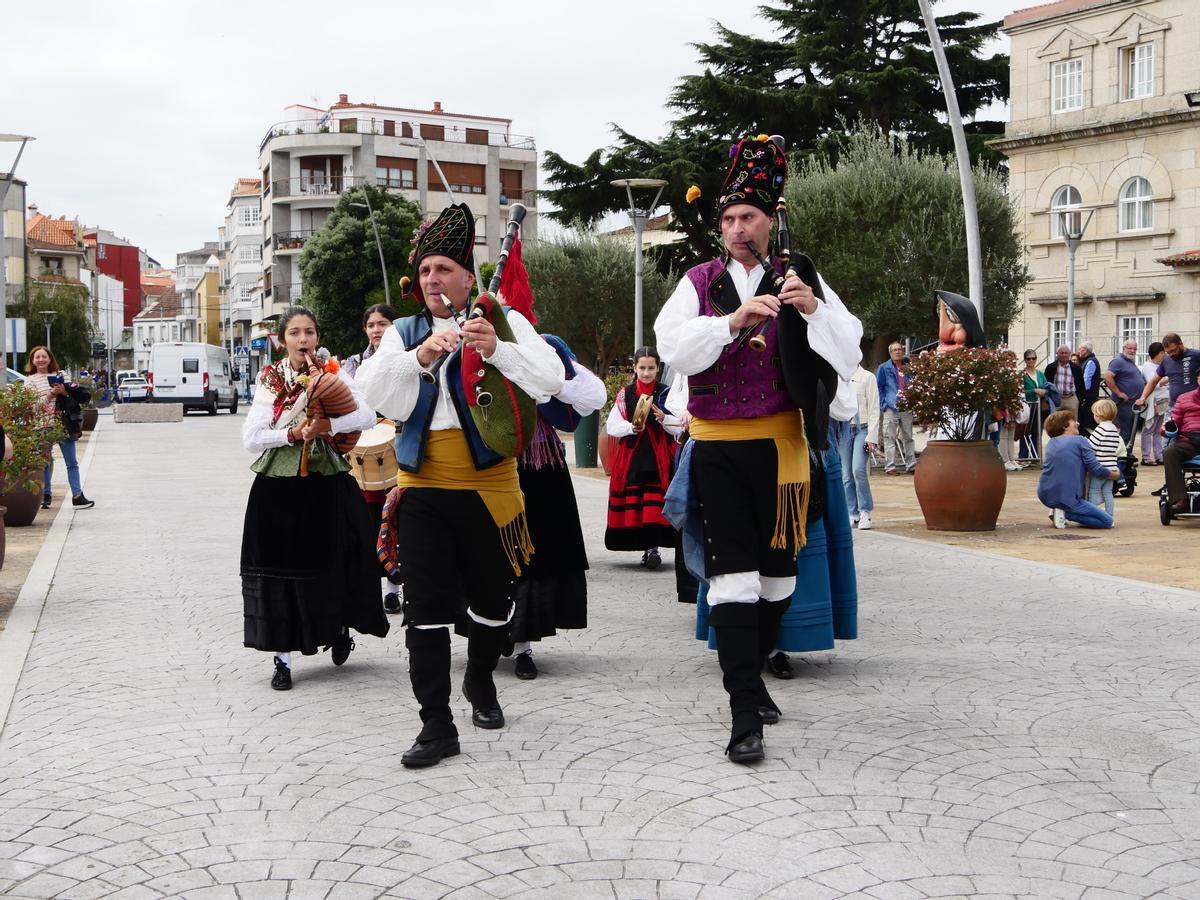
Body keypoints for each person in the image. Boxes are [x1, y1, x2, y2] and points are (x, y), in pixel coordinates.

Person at [655, 134, 862, 764]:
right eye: (728, 219)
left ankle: (755, 675)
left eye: (748, 217)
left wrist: (814, 311)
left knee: (777, 578)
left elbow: (849, 353)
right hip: (717, 448)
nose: (738, 227)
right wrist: (730, 323)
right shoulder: (699, 282)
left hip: (782, 453)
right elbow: (672, 350)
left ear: (770, 221)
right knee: (735, 578)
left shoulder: (801, 274)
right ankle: (744, 711)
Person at [356, 203, 564, 769]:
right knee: (424, 609)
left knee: (492, 604)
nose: (431, 280)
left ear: (467, 277)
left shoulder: (500, 317)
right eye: (424, 271)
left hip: (491, 487)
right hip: (422, 486)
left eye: (443, 269)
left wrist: (495, 347)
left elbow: (551, 381)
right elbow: (374, 393)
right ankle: (436, 724)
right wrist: (421, 357)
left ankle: (479, 682)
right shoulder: (402, 333)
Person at [240, 306, 389, 691]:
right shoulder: (271, 378)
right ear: (283, 339)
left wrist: (326, 426)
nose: (302, 340)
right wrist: (291, 435)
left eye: (308, 332)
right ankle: (282, 658)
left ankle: (338, 628)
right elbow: (251, 437)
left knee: (336, 556)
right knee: (280, 566)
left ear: (317, 337)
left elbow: (369, 416)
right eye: (294, 333)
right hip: (279, 484)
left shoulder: (332, 371)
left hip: (328, 477)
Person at [506, 335, 605, 679]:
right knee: (492, 554)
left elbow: (593, 396)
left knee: (538, 555)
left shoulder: (548, 347)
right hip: (493, 464)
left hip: (542, 467)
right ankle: (491, 634)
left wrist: (549, 382)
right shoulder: (478, 344)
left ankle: (523, 646)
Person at [345, 303, 404, 616]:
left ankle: (400, 585)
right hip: (367, 451)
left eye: (383, 324)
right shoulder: (354, 364)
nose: (377, 330)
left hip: (402, 447)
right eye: (371, 325)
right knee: (372, 520)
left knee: (401, 517)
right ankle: (385, 589)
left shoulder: (408, 356)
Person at [604, 347, 682, 568]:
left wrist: (664, 418)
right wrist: (631, 427)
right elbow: (612, 425)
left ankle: (652, 548)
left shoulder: (667, 393)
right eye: (642, 368)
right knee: (637, 501)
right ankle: (644, 546)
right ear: (635, 368)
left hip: (660, 458)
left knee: (654, 504)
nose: (646, 372)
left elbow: (678, 428)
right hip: (632, 457)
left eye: (651, 368)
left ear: (658, 368)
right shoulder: (625, 393)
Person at [24, 346, 95, 510]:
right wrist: (51, 394)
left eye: (44, 357)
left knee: (72, 462)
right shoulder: (30, 381)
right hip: (42, 425)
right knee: (45, 462)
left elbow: (74, 398)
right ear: (32, 361)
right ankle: (45, 496)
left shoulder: (61, 375)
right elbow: (33, 408)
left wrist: (63, 392)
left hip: (63, 424)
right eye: (37, 357)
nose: (41, 360)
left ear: (50, 359)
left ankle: (77, 495)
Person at [1038, 409, 1118, 529]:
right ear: (1065, 426)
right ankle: (1066, 514)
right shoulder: (1080, 440)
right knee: (1107, 521)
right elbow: (1095, 468)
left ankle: (1060, 511)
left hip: (1045, 494)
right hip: (1068, 497)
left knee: (1095, 516)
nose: (1078, 423)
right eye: (1074, 421)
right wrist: (1114, 475)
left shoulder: (1051, 443)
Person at [831, 365, 879, 529]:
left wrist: (872, 436)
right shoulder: (838, 376)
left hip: (862, 429)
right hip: (843, 429)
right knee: (846, 474)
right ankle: (852, 512)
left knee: (858, 470)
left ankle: (865, 510)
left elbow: (874, 408)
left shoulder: (867, 377)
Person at [876, 342, 915, 474]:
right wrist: (884, 404)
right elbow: (879, 387)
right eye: (895, 350)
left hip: (906, 406)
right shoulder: (883, 368)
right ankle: (890, 466)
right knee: (889, 437)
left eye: (900, 349)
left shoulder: (909, 366)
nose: (898, 352)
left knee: (908, 437)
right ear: (890, 353)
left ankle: (911, 465)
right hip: (891, 407)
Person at [1136, 333, 1200, 413]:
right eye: (1168, 352)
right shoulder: (1166, 361)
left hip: (1194, 407)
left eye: (1173, 350)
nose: (1171, 354)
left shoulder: (1196, 355)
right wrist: (1143, 397)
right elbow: (1153, 381)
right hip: (1173, 407)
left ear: (1180, 344)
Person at [1161, 386, 1200, 517]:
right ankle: (1179, 499)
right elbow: (1169, 426)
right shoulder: (1184, 398)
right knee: (1169, 452)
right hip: (1189, 441)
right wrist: (1169, 428)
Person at [1103, 339, 1145, 450]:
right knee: (1124, 432)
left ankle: (1127, 456)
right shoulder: (1118, 361)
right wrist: (1118, 393)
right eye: (1130, 348)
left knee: (1131, 432)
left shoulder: (1131, 363)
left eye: (1134, 349)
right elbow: (1107, 376)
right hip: (1122, 404)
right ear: (1123, 348)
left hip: (1133, 404)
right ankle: (1121, 458)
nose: (1132, 351)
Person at [1086, 398, 1122, 519]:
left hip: (1100, 466)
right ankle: (1110, 516)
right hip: (1112, 466)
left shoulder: (1100, 429)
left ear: (1099, 415)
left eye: (1094, 414)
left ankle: (1092, 516)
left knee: (1094, 491)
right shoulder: (1113, 429)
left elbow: (1091, 446)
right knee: (1108, 493)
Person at [1139, 342, 1169, 465]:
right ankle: (1146, 457)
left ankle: (1159, 455)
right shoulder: (1148, 366)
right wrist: (1168, 378)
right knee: (1148, 429)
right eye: (1162, 353)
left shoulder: (1161, 365)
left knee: (1158, 430)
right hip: (1153, 401)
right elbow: (1154, 383)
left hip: (1163, 401)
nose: (1164, 355)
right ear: (1157, 353)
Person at [1018, 350, 1050, 461]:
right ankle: (1023, 456)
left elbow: (1047, 388)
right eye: (1028, 358)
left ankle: (1035, 457)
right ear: (1025, 360)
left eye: (1033, 358)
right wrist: (1034, 391)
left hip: (1039, 407)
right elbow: (1020, 392)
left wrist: (1044, 392)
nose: (1031, 360)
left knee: (1037, 432)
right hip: (1027, 406)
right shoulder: (1022, 374)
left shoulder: (1040, 374)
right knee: (1025, 431)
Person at [1044, 345, 1083, 420]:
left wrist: (1079, 399)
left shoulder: (1076, 368)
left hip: (1071, 398)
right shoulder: (1051, 367)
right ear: (1057, 354)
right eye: (1061, 353)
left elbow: (1081, 385)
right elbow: (1046, 384)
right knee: (1056, 423)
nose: (1064, 355)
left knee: (1072, 422)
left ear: (1069, 354)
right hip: (1056, 399)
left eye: (1066, 353)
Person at [1075, 340, 1101, 433]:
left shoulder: (1090, 362)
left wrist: (1080, 394)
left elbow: (1086, 382)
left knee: (1085, 423)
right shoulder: (1087, 361)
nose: (1078, 351)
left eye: (1080, 349)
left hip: (1088, 398)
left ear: (1085, 350)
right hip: (1088, 398)